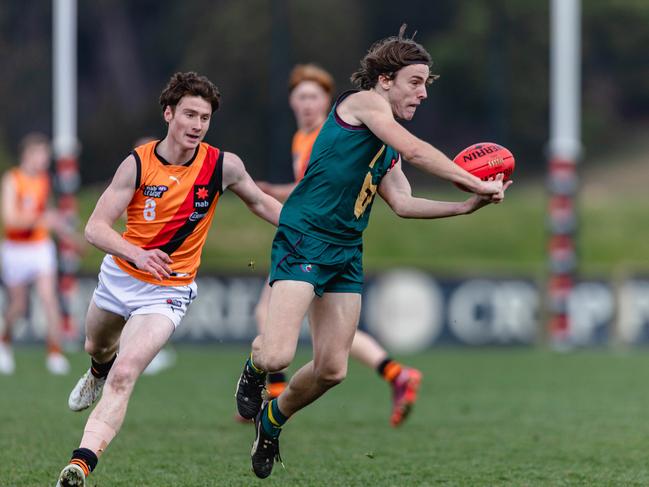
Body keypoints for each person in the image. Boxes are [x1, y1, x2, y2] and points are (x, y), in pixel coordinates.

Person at [235, 25, 512, 479]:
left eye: (426, 83)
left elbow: (403, 203)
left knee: (332, 370)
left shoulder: (386, 145)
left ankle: (272, 420)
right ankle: (253, 368)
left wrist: (465, 206)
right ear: (385, 79)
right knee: (277, 357)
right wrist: (475, 180)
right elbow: (418, 150)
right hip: (304, 235)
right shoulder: (361, 104)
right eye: (415, 81)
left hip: (346, 250)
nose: (423, 93)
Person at [55, 71, 282, 487]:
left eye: (205, 117)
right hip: (120, 277)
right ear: (168, 113)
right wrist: (138, 253)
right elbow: (95, 229)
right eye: (189, 115)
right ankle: (94, 371)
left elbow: (262, 202)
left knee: (126, 373)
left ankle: (80, 463)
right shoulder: (138, 163)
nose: (197, 125)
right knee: (97, 346)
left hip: (169, 291)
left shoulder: (222, 165)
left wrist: (309, 231)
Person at [252, 63, 422, 427]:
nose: (307, 105)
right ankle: (392, 373)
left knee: (319, 349)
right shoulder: (302, 138)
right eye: (300, 98)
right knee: (300, 335)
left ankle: (277, 389)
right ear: (291, 103)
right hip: (308, 235)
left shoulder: (338, 130)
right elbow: (314, 187)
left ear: (328, 101)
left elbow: (332, 188)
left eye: (314, 97)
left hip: (324, 239)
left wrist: (269, 192)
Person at [0, 133, 70, 375]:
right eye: (41, 155)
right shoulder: (12, 180)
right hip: (16, 249)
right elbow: (10, 220)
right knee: (18, 306)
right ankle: (4, 341)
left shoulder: (43, 180)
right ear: (28, 155)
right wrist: (42, 219)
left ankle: (54, 352)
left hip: (40, 247)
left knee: (49, 298)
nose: (44, 160)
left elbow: (47, 213)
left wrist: (64, 231)